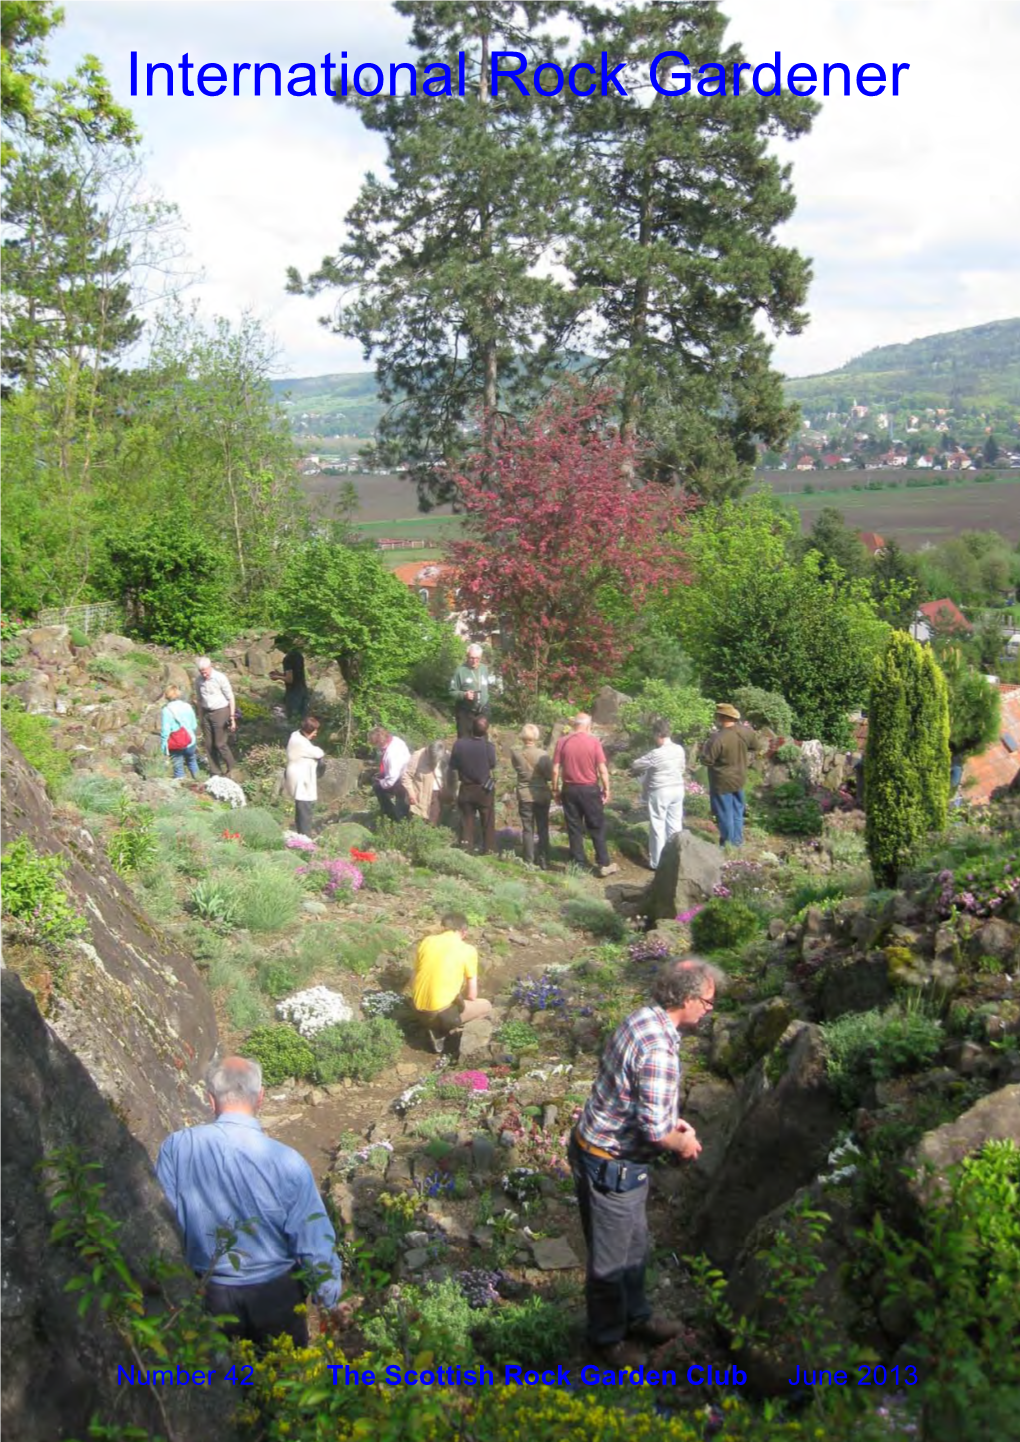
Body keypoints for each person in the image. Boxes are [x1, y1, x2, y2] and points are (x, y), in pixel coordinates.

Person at [569, 958, 722, 1365]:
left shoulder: (643, 1019)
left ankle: (637, 1318)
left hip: (602, 1150)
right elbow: (655, 1132)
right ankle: (605, 1342)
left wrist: (669, 1119)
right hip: (612, 1164)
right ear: (687, 999)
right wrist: (682, 1142)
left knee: (635, 1244)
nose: (709, 1010)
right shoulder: (659, 1049)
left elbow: (636, 1096)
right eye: (708, 1003)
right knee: (611, 1259)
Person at [156, 1055, 344, 1349]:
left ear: (210, 1098)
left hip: (208, 1292)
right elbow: (312, 1239)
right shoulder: (288, 1162)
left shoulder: (177, 1148)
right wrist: (328, 1299)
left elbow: (165, 1224)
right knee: (284, 1381)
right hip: (277, 1295)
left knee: (221, 1385)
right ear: (261, 1098)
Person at [409, 911, 492, 1052]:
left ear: (443, 927)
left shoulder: (427, 941)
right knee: (486, 1006)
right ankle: (444, 1033)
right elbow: (472, 994)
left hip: (417, 1010)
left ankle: (434, 1026)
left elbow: (413, 980)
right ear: (464, 932)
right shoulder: (468, 950)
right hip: (441, 1016)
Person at [552, 714, 619, 877]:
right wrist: (607, 788)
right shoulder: (594, 742)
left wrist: (555, 790)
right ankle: (603, 864)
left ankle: (579, 864)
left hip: (570, 789)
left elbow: (555, 769)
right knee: (596, 826)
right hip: (590, 789)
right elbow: (602, 769)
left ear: (575, 725)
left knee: (574, 827)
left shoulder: (562, 741)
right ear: (588, 726)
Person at [700, 703, 760, 848]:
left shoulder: (717, 738)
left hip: (722, 781)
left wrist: (702, 752)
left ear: (721, 718)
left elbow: (707, 761)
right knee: (737, 811)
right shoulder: (747, 732)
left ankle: (727, 843)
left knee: (724, 813)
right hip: (740, 778)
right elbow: (756, 747)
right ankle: (737, 841)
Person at [629, 719, 686, 870]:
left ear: (658, 734)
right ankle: (675, 858)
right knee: (675, 825)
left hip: (660, 790)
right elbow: (682, 768)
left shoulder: (656, 753)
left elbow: (636, 764)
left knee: (657, 826)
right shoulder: (679, 749)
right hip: (678, 789)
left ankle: (657, 863)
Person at [449, 714, 497, 854]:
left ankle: (466, 847)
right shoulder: (488, 747)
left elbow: (453, 765)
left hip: (466, 787)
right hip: (484, 789)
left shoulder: (459, 744)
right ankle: (489, 849)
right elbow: (492, 764)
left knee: (466, 820)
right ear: (486, 730)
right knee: (487, 820)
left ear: (471, 727)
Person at [511, 723, 553, 868]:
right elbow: (549, 775)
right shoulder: (543, 755)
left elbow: (517, 770)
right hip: (541, 794)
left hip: (524, 794)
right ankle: (544, 859)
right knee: (543, 827)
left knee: (527, 828)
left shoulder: (515, 754)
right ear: (536, 736)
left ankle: (528, 859)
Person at [194, 656, 237, 777]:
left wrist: (232, 717)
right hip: (206, 712)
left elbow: (230, 697)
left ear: (210, 667)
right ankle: (215, 771)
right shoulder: (198, 681)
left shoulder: (220, 678)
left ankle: (232, 767)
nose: (204, 674)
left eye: (205, 672)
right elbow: (199, 699)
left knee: (220, 743)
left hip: (221, 711)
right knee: (208, 744)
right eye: (201, 672)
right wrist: (200, 717)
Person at [284, 715, 324, 837]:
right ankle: (305, 837)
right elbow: (318, 752)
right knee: (304, 809)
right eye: (314, 732)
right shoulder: (299, 742)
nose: (315, 734)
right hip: (301, 779)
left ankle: (302, 834)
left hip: (299, 776)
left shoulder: (296, 735)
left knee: (303, 808)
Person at [449, 643, 493, 739]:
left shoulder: (484, 669)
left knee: (482, 741)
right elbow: (452, 692)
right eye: (472, 658)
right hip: (466, 712)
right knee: (464, 740)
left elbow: (486, 687)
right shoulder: (460, 671)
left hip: (482, 711)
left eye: (477, 658)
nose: (474, 661)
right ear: (467, 656)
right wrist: (464, 694)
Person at [370, 726, 411, 821]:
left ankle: (390, 815)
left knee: (377, 787)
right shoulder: (396, 740)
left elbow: (391, 780)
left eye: (375, 744)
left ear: (380, 742)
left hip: (402, 780)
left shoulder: (391, 754)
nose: (375, 747)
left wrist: (381, 782)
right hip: (405, 772)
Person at [401, 740, 448, 824]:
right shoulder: (418, 755)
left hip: (437, 795)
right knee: (417, 823)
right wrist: (411, 794)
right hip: (420, 796)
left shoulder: (446, 756)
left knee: (433, 823)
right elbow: (407, 776)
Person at [160, 685, 200, 781]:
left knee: (178, 767)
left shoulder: (167, 710)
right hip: (190, 740)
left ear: (167, 696)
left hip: (176, 743)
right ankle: (200, 783)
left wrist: (163, 747)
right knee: (192, 761)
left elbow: (165, 730)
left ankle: (181, 786)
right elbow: (194, 725)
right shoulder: (188, 706)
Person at [270, 643, 309, 724]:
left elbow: (289, 679)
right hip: (303, 688)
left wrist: (277, 677)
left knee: (293, 718)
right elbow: (295, 675)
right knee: (303, 718)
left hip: (293, 692)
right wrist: (280, 674)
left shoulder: (287, 659)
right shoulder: (298, 655)